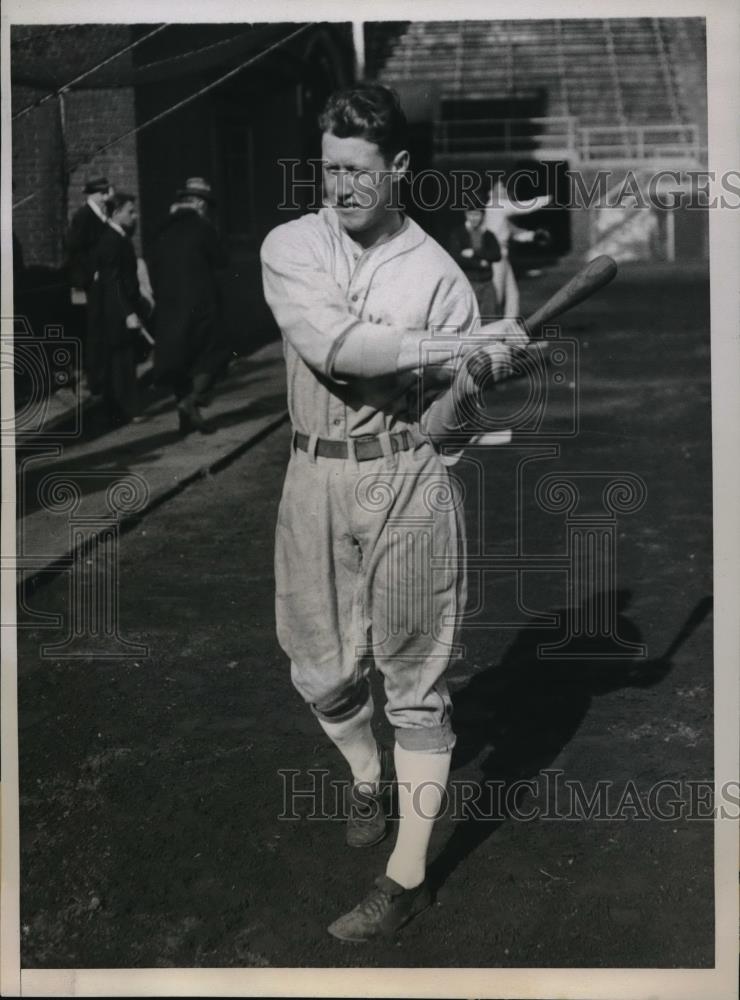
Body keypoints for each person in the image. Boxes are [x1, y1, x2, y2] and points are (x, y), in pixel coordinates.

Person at [260, 84, 525, 942]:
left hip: (408, 479)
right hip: (312, 477)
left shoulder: (439, 275)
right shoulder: (292, 245)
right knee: (320, 669)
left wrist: (478, 379)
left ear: (400, 167)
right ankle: (365, 772)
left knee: (415, 681)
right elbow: (338, 349)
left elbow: (447, 427)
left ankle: (406, 877)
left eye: (358, 171)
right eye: (330, 168)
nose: (340, 186)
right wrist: (463, 344)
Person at [149, 177, 229, 435]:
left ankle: (185, 418)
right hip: (202, 306)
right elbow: (221, 260)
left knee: (179, 360)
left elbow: (153, 267)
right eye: (207, 205)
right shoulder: (203, 228)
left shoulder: (162, 228)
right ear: (199, 203)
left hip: (169, 306)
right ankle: (193, 401)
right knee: (213, 355)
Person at [87, 192, 150, 426]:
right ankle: (127, 410)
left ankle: (118, 410)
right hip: (116, 312)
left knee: (122, 361)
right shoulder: (111, 241)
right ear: (115, 213)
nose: (135, 216)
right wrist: (128, 313)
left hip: (121, 308)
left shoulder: (119, 238)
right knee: (122, 361)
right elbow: (112, 281)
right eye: (130, 212)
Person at [65, 175, 114, 388]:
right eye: (102, 193)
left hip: (103, 278)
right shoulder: (84, 216)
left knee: (101, 326)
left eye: (106, 193)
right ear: (93, 195)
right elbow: (75, 248)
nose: (105, 197)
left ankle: (101, 372)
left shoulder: (102, 214)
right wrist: (90, 272)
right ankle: (94, 376)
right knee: (93, 327)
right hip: (92, 280)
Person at [485, 179, 552, 317]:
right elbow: (522, 207)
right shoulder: (495, 205)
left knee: (512, 294)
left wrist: (533, 236)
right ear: (491, 192)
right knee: (497, 294)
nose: (505, 190)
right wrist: (548, 199)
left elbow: (514, 232)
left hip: (502, 257)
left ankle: (510, 324)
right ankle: (490, 325)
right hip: (495, 257)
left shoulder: (498, 212)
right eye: (501, 187)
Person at [447, 205, 502, 318]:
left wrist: (474, 253)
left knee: (489, 318)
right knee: (467, 318)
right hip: (468, 283)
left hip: (487, 284)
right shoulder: (458, 233)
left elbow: (496, 255)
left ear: (482, 216)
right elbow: (456, 258)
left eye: (477, 214)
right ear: (466, 215)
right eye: (471, 214)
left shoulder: (488, 234)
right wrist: (480, 263)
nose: (474, 218)